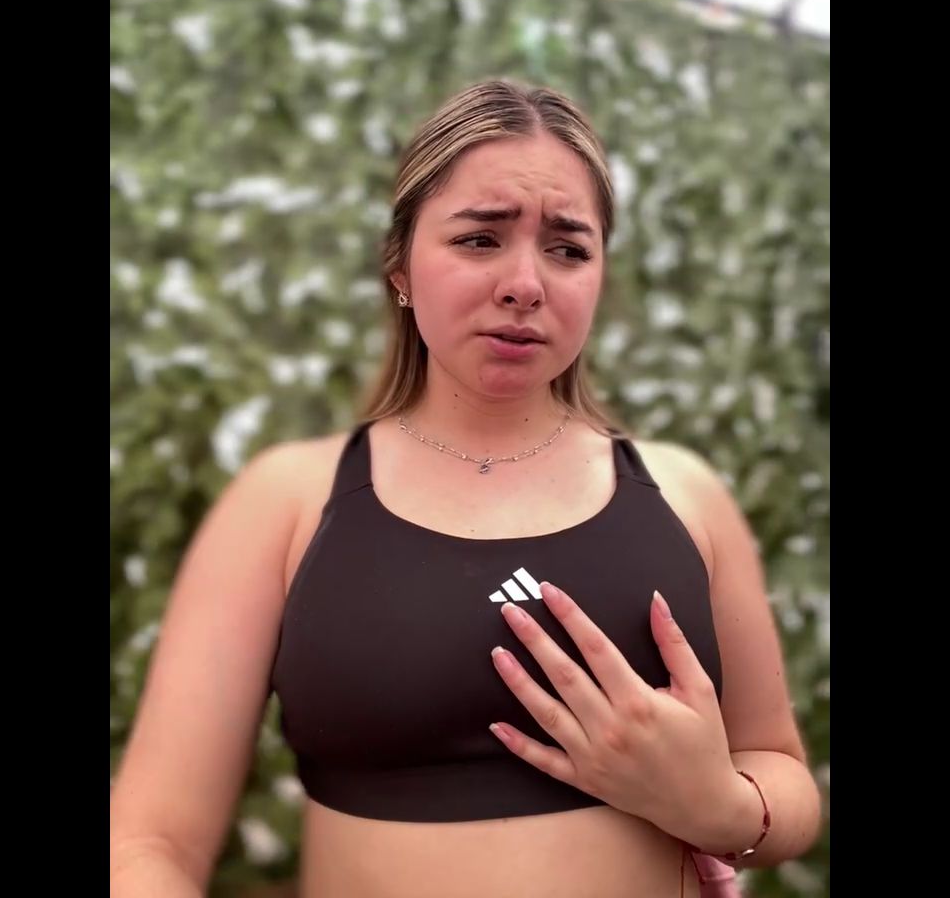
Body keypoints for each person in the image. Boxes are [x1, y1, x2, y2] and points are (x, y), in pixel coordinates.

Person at [109, 79, 823, 898]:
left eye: (568, 249)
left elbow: (783, 772)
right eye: (480, 239)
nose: (525, 283)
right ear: (400, 267)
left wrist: (721, 807)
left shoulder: (684, 497)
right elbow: (151, 838)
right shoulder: (288, 503)